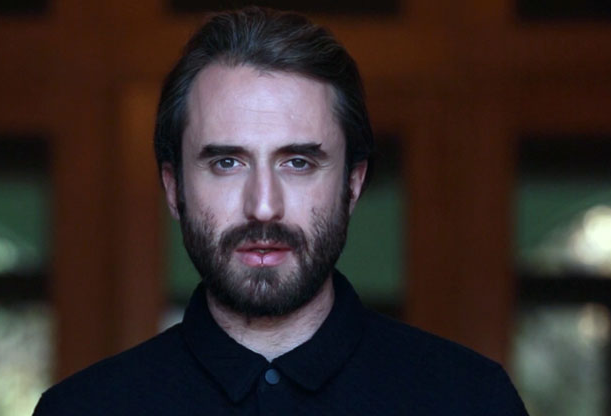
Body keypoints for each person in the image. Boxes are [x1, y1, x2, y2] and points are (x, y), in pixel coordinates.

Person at [34, 7, 529, 415]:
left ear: (352, 184)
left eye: (298, 163)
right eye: (227, 163)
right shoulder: (81, 409)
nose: (264, 206)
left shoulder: (471, 400)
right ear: (173, 187)